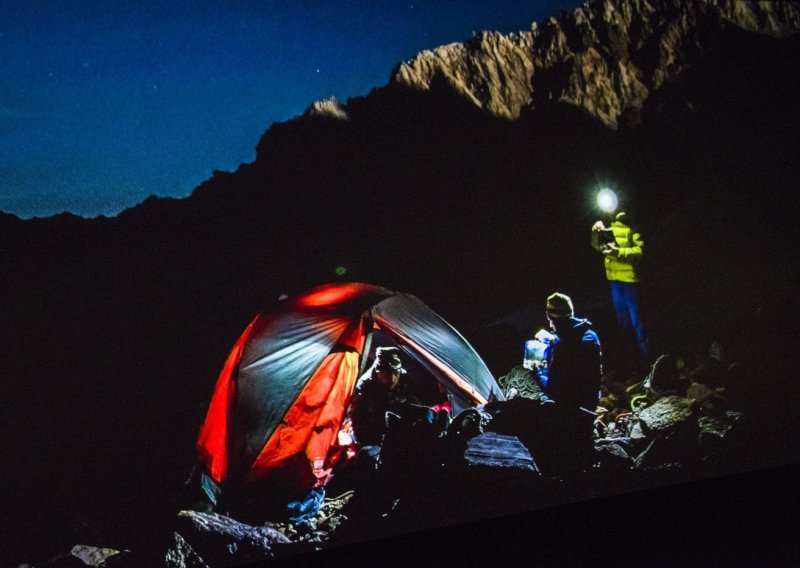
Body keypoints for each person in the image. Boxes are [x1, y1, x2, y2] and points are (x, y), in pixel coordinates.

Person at [541, 292, 603, 472]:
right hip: (589, 402)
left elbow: (554, 386)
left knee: (570, 453)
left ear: (549, 316)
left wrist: (537, 373)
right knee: (583, 446)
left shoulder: (562, 345)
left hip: (569, 408)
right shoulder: (589, 334)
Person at [591, 209, 650, 364]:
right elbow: (598, 247)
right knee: (623, 323)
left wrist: (619, 252)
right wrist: (596, 233)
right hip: (614, 280)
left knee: (639, 324)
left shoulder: (631, 222)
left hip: (631, 280)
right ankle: (632, 362)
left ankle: (648, 362)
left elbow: (640, 250)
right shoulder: (606, 223)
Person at [348, 346, 427, 448]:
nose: (392, 378)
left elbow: (415, 405)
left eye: (395, 373)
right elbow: (358, 420)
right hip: (373, 433)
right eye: (387, 374)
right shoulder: (365, 386)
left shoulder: (405, 379)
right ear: (378, 372)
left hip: (398, 430)